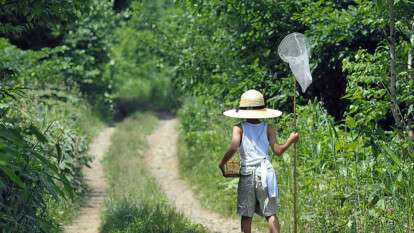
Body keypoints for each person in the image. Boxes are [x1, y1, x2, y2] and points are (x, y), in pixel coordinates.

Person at [218, 89, 299, 233]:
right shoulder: (268, 128)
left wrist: (222, 162)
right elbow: (278, 151)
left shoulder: (239, 128)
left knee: (246, 214)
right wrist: (290, 141)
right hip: (265, 172)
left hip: (247, 173)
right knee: (270, 213)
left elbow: (234, 146)